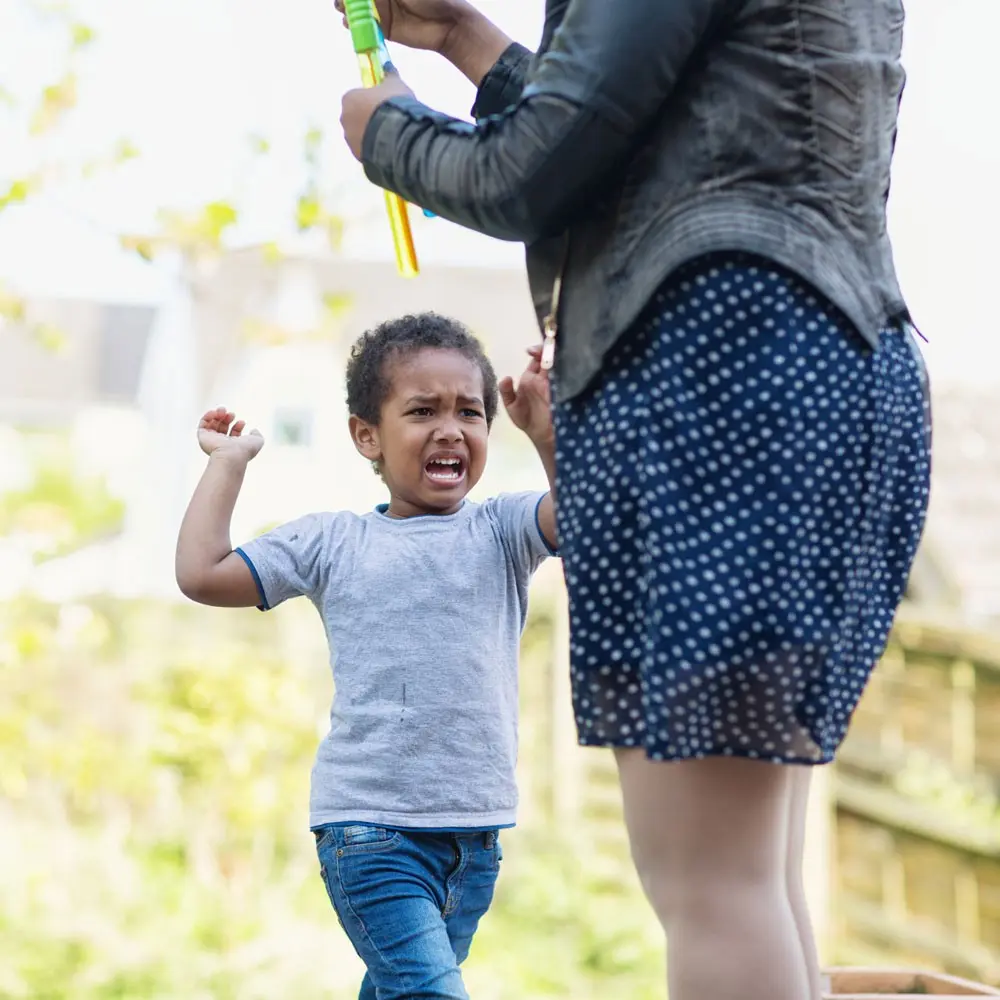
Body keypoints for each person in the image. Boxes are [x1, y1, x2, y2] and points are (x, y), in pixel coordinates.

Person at [335, 3, 933, 999]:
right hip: (828, 368)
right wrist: (468, 44)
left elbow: (533, 169)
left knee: (710, 882)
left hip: (720, 377)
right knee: (754, 868)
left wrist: (385, 132)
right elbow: (661, 136)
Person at [175, 313, 558, 1000]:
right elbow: (203, 573)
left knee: (397, 991)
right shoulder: (334, 543)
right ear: (367, 436)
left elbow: (589, 516)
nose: (450, 428)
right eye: (422, 411)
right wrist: (228, 464)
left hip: (474, 838)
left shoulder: (502, 531)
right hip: (371, 834)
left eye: (469, 411)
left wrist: (550, 435)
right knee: (430, 993)